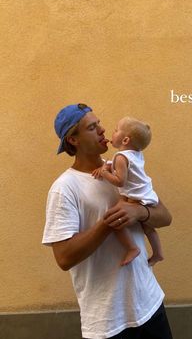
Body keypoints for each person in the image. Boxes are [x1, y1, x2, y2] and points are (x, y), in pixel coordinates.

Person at [42, 103, 173, 339]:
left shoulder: (122, 167)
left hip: (150, 303)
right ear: (73, 139)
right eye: (92, 127)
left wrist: (140, 213)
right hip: (107, 321)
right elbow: (63, 258)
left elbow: (165, 216)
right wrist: (106, 224)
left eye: (100, 124)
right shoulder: (64, 188)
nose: (102, 130)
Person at [92, 116, 164, 267]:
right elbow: (125, 166)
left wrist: (104, 173)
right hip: (146, 194)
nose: (112, 132)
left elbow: (120, 181)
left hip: (134, 197)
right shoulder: (136, 154)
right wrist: (108, 164)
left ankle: (132, 248)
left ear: (125, 140)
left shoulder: (120, 157)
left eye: (116, 130)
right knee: (148, 228)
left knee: (114, 221)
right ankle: (158, 253)